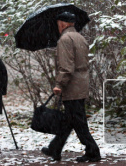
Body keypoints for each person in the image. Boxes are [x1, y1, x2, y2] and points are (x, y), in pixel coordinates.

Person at [41, 12, 101, 162]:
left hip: (72, 86)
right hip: (81, 83)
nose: (57, 26)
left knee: (78, 121)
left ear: (63, 23)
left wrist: (59, 84)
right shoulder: (80, 38)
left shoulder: (65, 40)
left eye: (58, 23)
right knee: (69, 120)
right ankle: (55, 148)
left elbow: (67, 67)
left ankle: (93, 151)